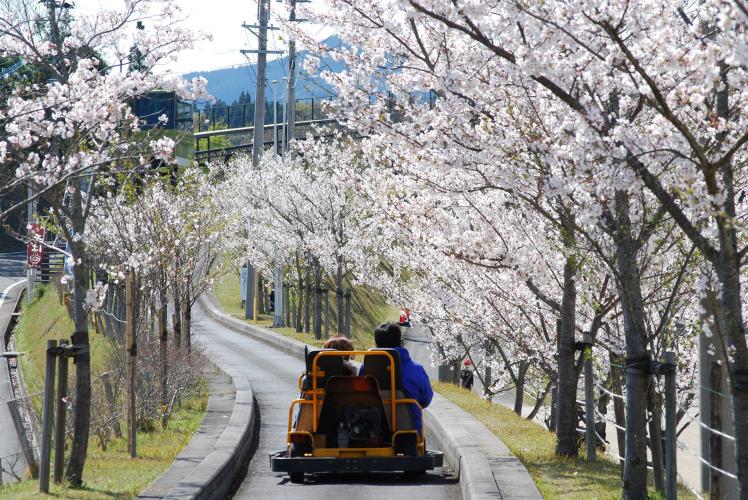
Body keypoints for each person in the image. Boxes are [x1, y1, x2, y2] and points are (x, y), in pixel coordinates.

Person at [361, 322, 433, 434]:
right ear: (400, 342)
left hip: (370, 431)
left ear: (376, 344)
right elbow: (425, 400)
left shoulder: (366, 367)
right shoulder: (416, 370)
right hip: (409, 431)